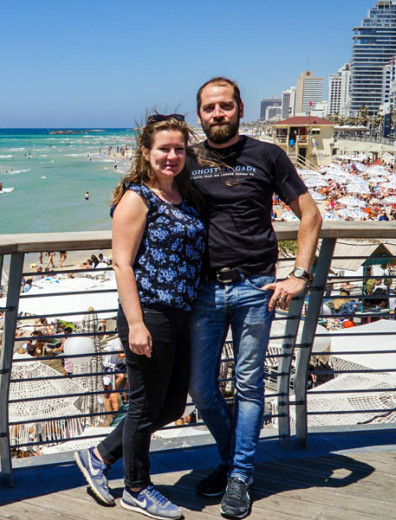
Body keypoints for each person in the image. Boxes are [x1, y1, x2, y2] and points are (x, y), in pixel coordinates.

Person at [188, 77, 321, 519]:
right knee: (202, 390)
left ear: (240, 108)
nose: (218, 113)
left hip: (254, 288)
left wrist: (299, 274)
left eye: (225, 105)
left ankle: (240, 475)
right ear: (200, 114)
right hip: (203, 288)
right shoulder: (187, 158)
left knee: (248, 386)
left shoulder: (267, 155)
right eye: (210, 108)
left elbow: (310, 215)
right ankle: (232, 463)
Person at [74, 113, 205, 520]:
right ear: (146, 153)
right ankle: (137, 487)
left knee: (171, 406)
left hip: (181, 313)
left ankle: (98, 455)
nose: (172, 156)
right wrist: (136, 324)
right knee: (146, 406)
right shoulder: (137, 198)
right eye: (163, 149)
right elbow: (122, 265)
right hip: (148, 313)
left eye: (179, 149)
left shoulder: (183, 195)